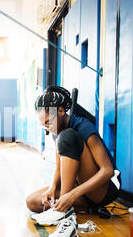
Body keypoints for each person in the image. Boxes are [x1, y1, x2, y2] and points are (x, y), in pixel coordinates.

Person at [26, 86, 121, 225]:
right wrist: (52, 188)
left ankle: (62, 212)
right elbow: (59, 167)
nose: (47, 128)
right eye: (43, 125)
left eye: (48, 122)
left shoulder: (83, 126)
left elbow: (107, 171)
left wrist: (71, 195)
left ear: (61, 111)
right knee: (33, 201)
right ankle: (85, 208)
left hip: (105, 188)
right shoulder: (55, 131)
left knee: (66, 136)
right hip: (82, 190)